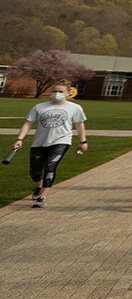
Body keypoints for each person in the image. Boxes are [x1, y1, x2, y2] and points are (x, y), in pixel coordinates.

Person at [11, 81, 87, 209]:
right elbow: (28, 123)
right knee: (34, 172)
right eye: (55, 91)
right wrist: (20, 139)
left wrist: (82, 141)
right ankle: (38, 186)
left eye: (60, 91)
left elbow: (79, 125)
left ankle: (42, 197)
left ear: (68, 93)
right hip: (39, 142)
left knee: (51, 167)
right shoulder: (39, 107)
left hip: (61, 141)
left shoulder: (75, 108)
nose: (57, 93)